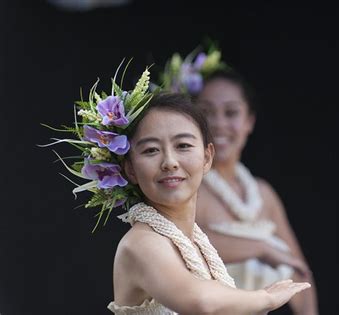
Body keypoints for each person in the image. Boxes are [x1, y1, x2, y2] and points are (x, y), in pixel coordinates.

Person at [42, 64, 310, 314]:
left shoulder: (197, 243)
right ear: (130, 169)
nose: (169, 162)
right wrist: (267, 297)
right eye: (151, 150)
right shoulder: (141, 243)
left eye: (183, 146)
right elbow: (200, 301)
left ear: (207, 158)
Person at [193, 68, 320, 315]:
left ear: (249, 121)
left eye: (231, 112)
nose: (218, 123)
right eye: (206, 112)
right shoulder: (188, 187)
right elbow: (180, 247)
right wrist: (261, 248)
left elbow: (300, 272)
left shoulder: (263, 194)